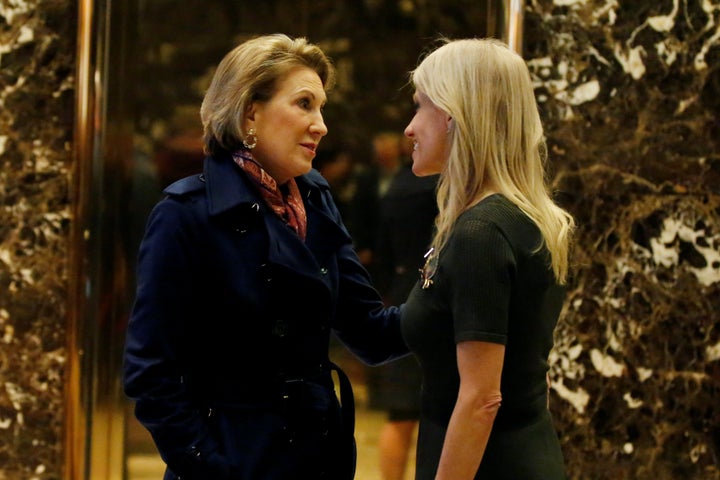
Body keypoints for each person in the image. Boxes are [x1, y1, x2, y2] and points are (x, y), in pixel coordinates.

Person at [122, 33, 408, 480]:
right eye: (304, 104)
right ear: (250, 111)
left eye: (321, 107)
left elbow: (369, 332)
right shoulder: (186, 215)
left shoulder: (316, 200)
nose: (321, 125)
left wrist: (447, 282)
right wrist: (212, 468)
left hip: (318, 458)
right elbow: (150, 374)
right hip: (236, 461)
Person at [400, 38, 575, 479]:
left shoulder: (483, 230)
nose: (409, 127)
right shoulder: (518, 216)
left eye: (421, 106)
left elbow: (482, 399)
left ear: (457, 117)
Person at [366, 135, 439, 480]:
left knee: (400, 414)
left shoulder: (396, 185)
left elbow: (382, 254)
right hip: (433, 296)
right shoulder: (439, 184)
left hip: (398, 296)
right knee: (435, 414)